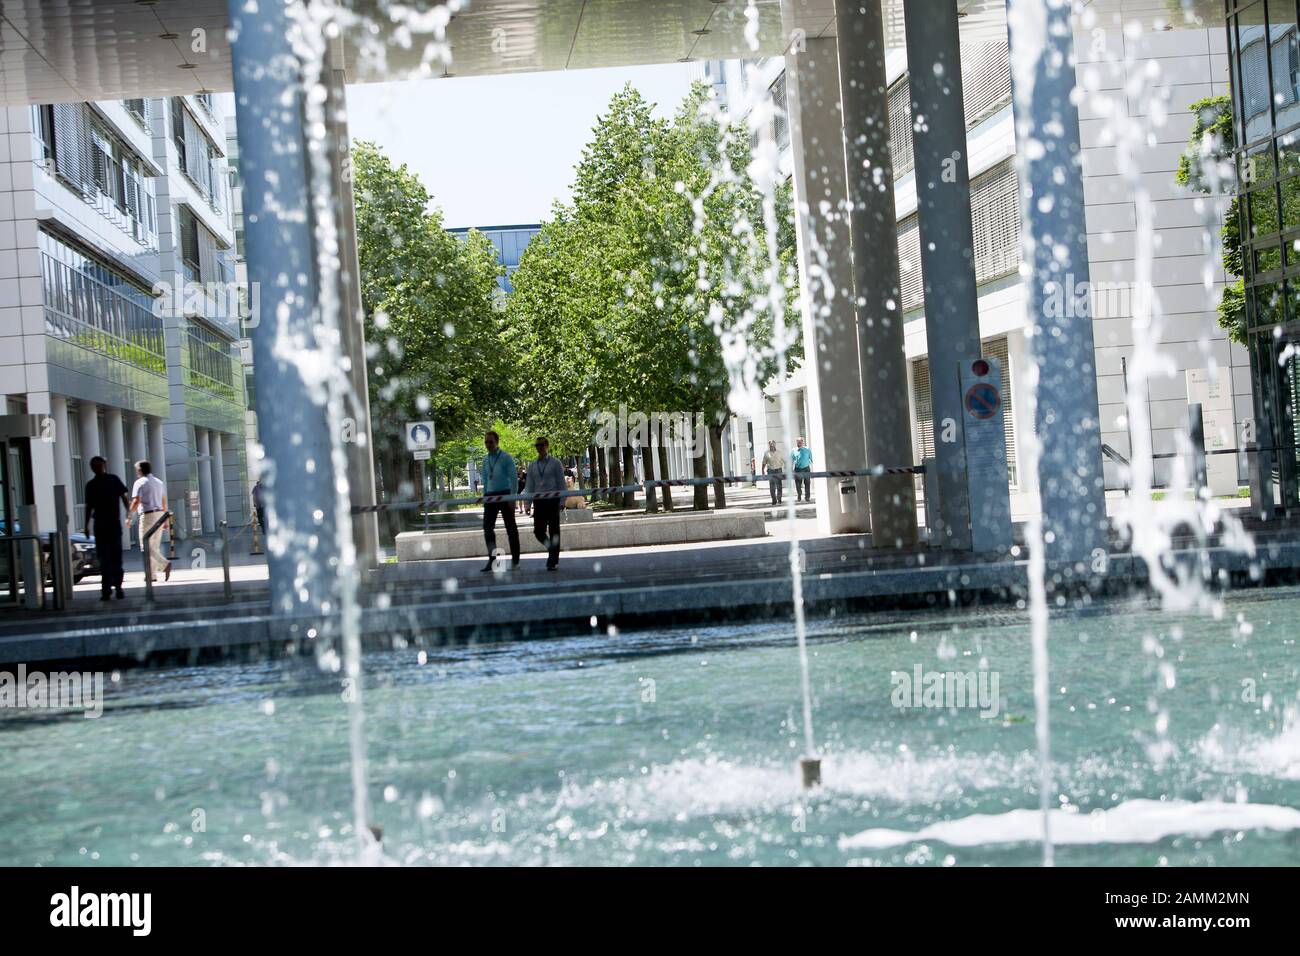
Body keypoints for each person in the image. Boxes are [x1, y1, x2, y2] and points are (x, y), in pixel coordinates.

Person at [83, 456, 130, 601]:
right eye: (94, 466)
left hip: (112, 525)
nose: (97, 468)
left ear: (104, 465)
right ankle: (107, 589)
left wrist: (128, 512)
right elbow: (89, 507)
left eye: (99, 465)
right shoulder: (91, 485)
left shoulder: (113, 480)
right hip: (102, 526)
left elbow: (124, 497)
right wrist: (86, 526)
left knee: (115, 558)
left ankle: (117, 587)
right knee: (105, 559)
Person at [480, 430, 520, 572]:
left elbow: (514, 478)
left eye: (490, 441)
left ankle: (515, 560)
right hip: (490, 496)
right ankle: (492, 560)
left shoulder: (505, 457)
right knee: (487, 528)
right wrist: (484, 496)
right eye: (486, 442)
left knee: (511, 528)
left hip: (505, 495)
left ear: (497, 442)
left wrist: (512, 497)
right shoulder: (485, 460)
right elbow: (485, 480)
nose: (488, 444)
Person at [525, 437, 566, 570]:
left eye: (541, 445)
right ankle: (551, 549)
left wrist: (562, 501)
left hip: (553, 500)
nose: (539, 448)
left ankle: (553, 560)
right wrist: (527, 503)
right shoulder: (532, 465)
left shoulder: (555, 463)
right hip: (539, 502)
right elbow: (529, 486)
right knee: (538, 531)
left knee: (555, 531)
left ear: (547, 446)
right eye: (536, 445)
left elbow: (561, 483)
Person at [128, 459, 170, 583]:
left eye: (137, 470)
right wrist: (165, 518)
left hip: (148, 515)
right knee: (154, 546)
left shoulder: (140, 482)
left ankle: (164, 564)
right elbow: (163, 501)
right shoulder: (159, 482)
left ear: (140, 470)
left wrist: (129, 516)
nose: (137, 473)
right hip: (160, 514)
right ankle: (151, 575)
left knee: (145, 545)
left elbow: (136, 501)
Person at [760, 439, 785, 506]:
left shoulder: (780, 452)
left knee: (779, 486)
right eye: (770, 444)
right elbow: (764, 462)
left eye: (773, 444)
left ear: (775, 444)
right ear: (769, 445)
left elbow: (784, 461)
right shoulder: (766, 453)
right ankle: (774, 500)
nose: (772, 445)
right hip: (770, 471)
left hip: (779, 470)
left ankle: (779, 498)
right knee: (772, 486)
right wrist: (762, 470)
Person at [791, 437, 814, 503]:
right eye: (798, 442)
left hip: (806, 468)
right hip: (797, 469)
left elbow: (812, 459)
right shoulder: (793, 450)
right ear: (796, 442)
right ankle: (799, 494)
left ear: (802, 442)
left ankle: (807, 497)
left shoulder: (807, 449)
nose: (799, 443)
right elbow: (791, 460)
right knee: (798, 484)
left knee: (807, 483)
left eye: (800, 442)